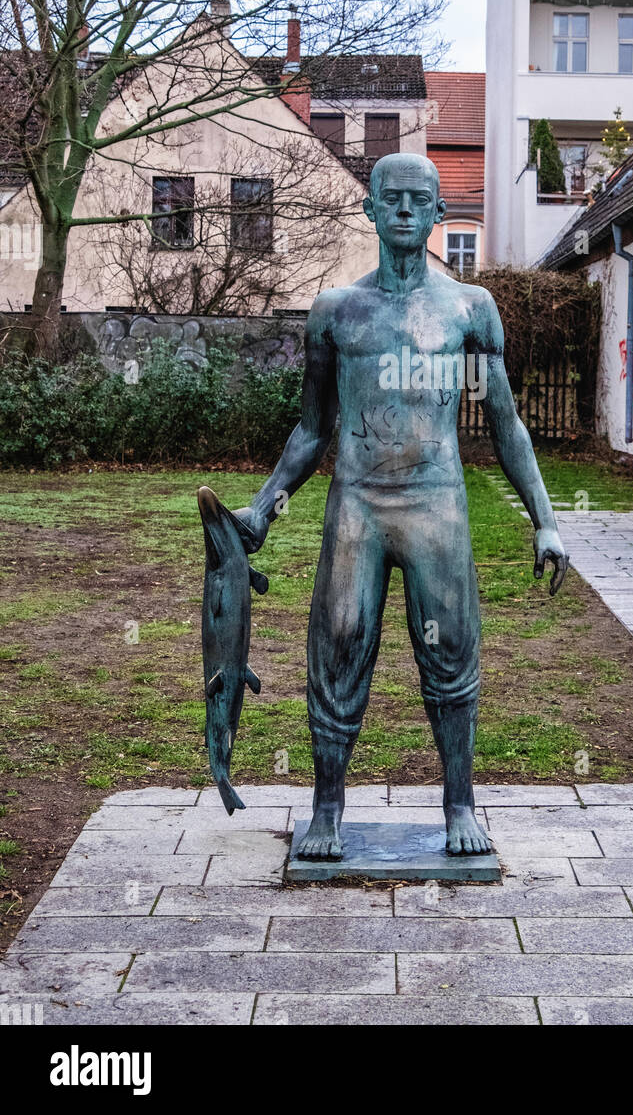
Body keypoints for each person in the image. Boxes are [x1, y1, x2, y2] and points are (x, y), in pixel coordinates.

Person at [230, 153, 567, 858]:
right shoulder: (335, 312)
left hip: (436, 505)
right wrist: (264, 506)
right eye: (393, 198)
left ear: (441, 212)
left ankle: (459, 804)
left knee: (450, 657)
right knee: (340, 644)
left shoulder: (468, 309)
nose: (406, 210)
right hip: (358, 503)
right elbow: (312, 429)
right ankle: (326, 809)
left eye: (421, 199)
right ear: (371, 210)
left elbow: (505, 423)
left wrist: (547, 521)